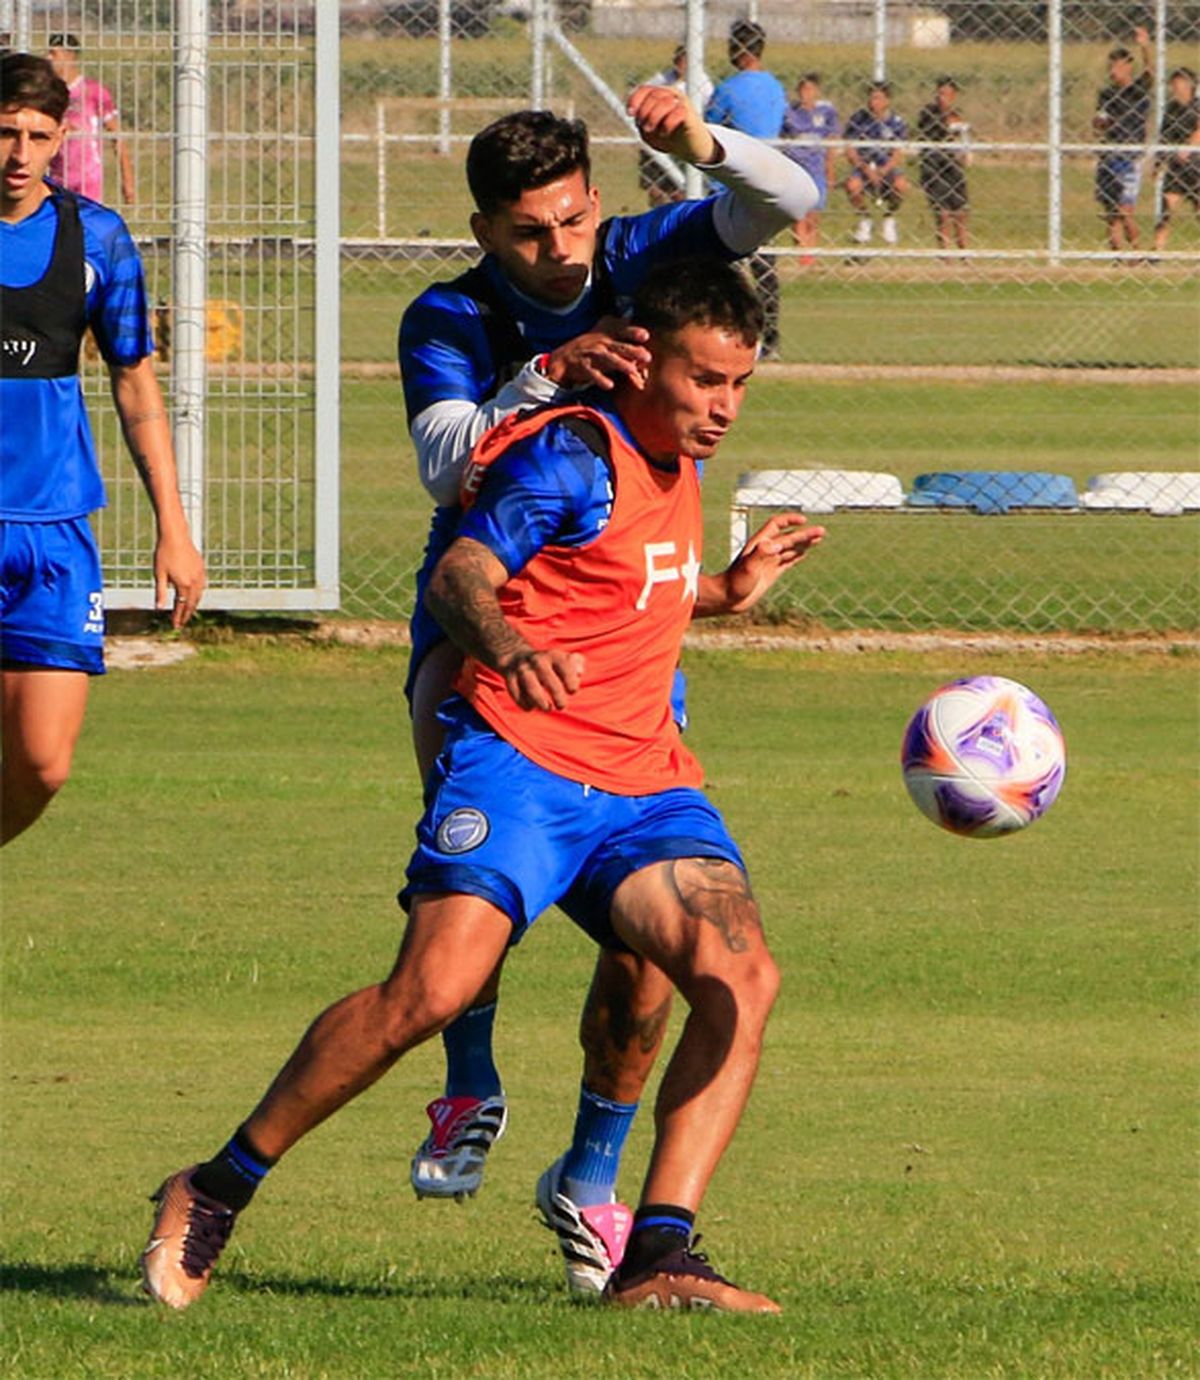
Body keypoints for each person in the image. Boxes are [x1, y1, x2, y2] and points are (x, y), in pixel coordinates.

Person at [140, 255, 825, 1314]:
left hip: (643, 783)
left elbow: (633, 579)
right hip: (518, 764)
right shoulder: (566, 455)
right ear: (644, 360)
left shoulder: (676, 460)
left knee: (743, 979)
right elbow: (464, 575)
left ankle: (659, 1256)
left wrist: (731, 590)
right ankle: (216, 1185)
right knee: (430, 995)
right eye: (704, 381)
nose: (723, 407)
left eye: (739, 385)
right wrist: (506, 648)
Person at [395, 85, 817, 1293]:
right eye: (533, 231)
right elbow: (440, 463)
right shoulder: (449, 311)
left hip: (626, 630)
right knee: (462, 897)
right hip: (484, 626)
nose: (564, 248)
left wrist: (696, 146)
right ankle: (466, 1086)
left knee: (648, 939)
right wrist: (547, 373)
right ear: (487, 231)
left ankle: (591, 1180)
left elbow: (789, 197)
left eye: (576, 218)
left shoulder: (638, 248)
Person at [0, 54, 205, 847]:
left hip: (53, 532)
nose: (19, 153)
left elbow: (135, 384)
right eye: (5, 132)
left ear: (62, 139)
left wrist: (174, 528)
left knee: (43, 764)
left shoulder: (99, 238)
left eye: (37, 136)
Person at [705, 20, 788, 357]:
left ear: (739, 49)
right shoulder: (775, 87)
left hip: (731, 185)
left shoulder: (728, 88)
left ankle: (736, 332)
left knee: (727, 262)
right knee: (764, 263)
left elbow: (709, 124)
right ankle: (770, 335)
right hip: (769, 182)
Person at [46, 33, 135, 205]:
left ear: (69, 56)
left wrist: (128, 179)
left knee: (87, 226)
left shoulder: (92, 91)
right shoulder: (49, 93)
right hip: (57, 177)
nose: (48, 58)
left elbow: (116, 136)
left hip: (87, 177)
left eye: (54, 53)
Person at [1093, 27, 1152, 254]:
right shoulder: (1106, 95)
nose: (1113, 71)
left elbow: (1150, 72)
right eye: (1110, 67)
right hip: (1110, 153)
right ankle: (1118, 255)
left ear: (1128, 66)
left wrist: (1144, 45)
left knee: (1125, 209)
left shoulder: (1137, 90)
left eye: (1117, 66)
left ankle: (1136, 250)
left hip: (1130, 154)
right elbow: (1099, 120)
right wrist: (1100, 124)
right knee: (1111, 211)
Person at [636, 44, 713, 207]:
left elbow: (708, 110)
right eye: (678, 61)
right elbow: (644, 91)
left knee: (680, 189)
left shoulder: (703, 83)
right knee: (649, 155)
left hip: (684, 135)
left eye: (684, 62)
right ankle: (656, 194)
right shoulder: (665, 78)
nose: (680, 66)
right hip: (661, 132)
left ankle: (679, 200)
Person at [781, 71, 840, 261]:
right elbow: (781, 138)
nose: (806, 94)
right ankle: (803, 252)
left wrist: (830, 169)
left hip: (816, 168)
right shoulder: (790, 113)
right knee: (799, 212)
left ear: (817, 92)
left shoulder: (826, 113)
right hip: (796, 168)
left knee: (814, 213)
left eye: (810, 89)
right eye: (803, 89)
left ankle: (811, 249)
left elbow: (831, 141)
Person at [843, 79, 909, 248]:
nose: (874, 102)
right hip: (864, 167)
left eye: (878, 98)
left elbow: (898, 153)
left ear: (887, 100)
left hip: (886, 167)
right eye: (871, 98)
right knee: (852, 185)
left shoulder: (896, 122)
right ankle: (865, 219)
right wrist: (863, 167)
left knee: (901, 185)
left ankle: (889, 217)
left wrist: (884, 170)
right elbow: (850, 149)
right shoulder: (858, 119)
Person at [916, 75, 970, 252]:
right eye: (939, 93)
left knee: (961, 212)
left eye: (946, 94)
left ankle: (965, 252)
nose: (941, 98)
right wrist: (949, 123)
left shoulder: (958, 115)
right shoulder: (928, 113)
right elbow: (935, 128)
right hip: (934, 167)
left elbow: (963, 140)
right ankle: (945, 253)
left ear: (954, 95)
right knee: (943, 213)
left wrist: (965, 153)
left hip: (953, 167)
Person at [1153, 66, 1200, 253]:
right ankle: (1157, 250)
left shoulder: (1197, 105)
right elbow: (1163, 136)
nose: (1176, 88)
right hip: (1176, 168)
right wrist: (1158, 163)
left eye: (1180, 84)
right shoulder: (1171, 109)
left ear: (1190, 85)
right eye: (1174, 84)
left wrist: (1188, 147)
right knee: (1165, 208)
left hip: (1196, 165)